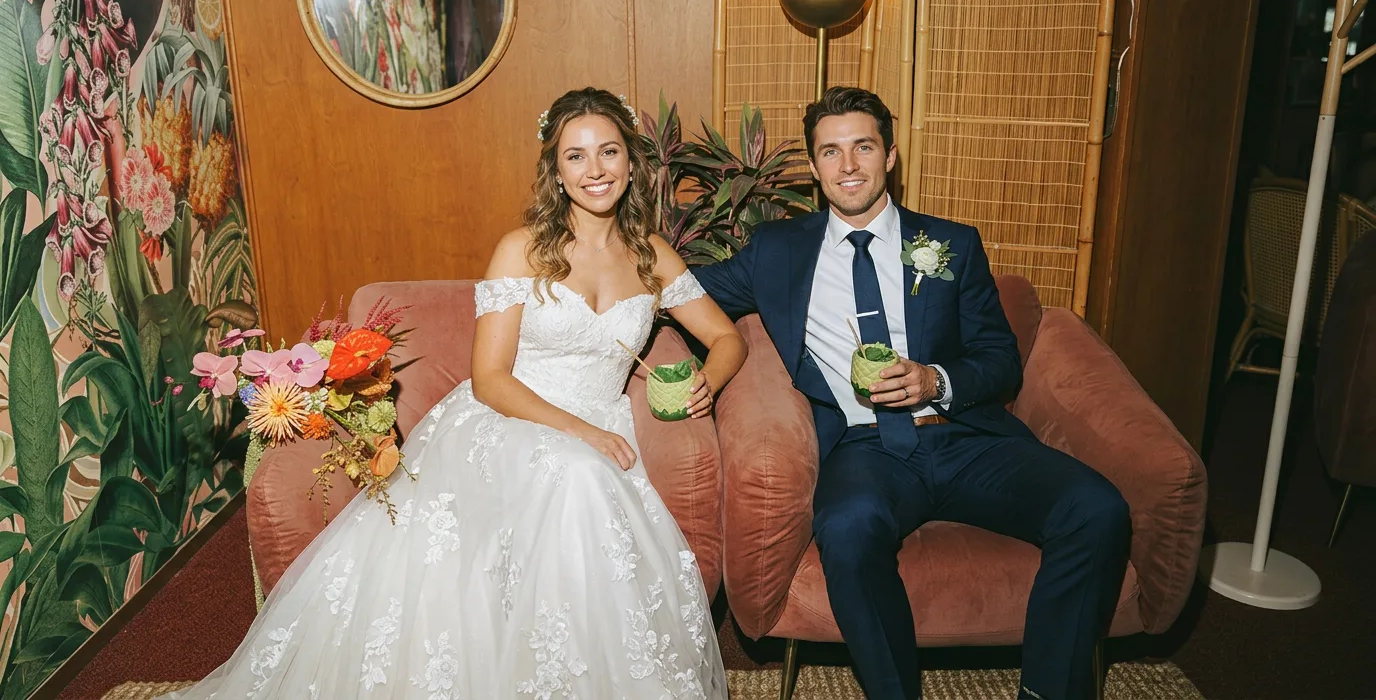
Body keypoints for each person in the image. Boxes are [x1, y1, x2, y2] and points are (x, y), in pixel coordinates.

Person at [163, 88, 745, 699]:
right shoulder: (521, 249)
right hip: (510, 420)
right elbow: (491, 377)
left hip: (603, 426)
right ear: (556, 169)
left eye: (608, 152)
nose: (595, 170)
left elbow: (726, 338)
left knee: (586, 486)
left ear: (632, 160)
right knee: (579, 476)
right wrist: (581, 433)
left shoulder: (653, 255)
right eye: (576, 156)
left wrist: (709, 381)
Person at [693, 86, 1130, 700]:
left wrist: (935, 379)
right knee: (846, 527)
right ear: (814, 166)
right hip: (863, 450)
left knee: (1097, 508)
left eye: (863, 147)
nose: (847, 166)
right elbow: (683, 290)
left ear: (891, 155)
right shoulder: (778, 251)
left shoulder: (950, 243)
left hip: (965, 437)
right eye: (830, 152)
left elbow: (1000, 360)